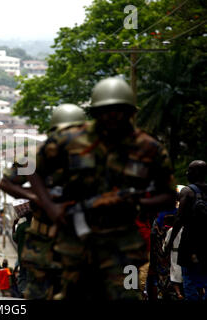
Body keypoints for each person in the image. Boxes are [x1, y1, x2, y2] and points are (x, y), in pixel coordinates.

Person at [28, 77, 176, 300]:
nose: (112, 117)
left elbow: (168, 195)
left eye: (119, 110)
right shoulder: (72, 140)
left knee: (128, 295)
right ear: (96, 113)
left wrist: (134, 202)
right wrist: (50, 207)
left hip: (126, 244)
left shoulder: (148, 148)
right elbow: (34, 170)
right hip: (78, 242)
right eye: (106, 111)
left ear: (130, 112)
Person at [0, 103, 86, 300]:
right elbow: (6, 183)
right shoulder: (35, 157)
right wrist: (41, 198)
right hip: (43, 241)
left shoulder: (91, 158)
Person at [165, 160, 207, 301]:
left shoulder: (187, 191)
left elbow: (179, 220)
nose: (186, 173)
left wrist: (170, 243)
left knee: (189, 281)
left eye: (189, 170)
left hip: (190, 245)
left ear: (196, 173)